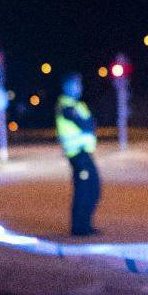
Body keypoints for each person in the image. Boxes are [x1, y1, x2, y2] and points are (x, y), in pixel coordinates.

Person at [55, 72, 100, 236]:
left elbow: (91, 123)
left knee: (91, 188)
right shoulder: (66, 106)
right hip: (78, 154)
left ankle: (84, 225)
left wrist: (89, 123)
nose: (80, 88)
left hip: (83, 154)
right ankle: (80, 227)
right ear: (67, 86)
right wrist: (88, 123)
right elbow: (86, 124)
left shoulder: (76, 105)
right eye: (76, 84)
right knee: (85, 189)